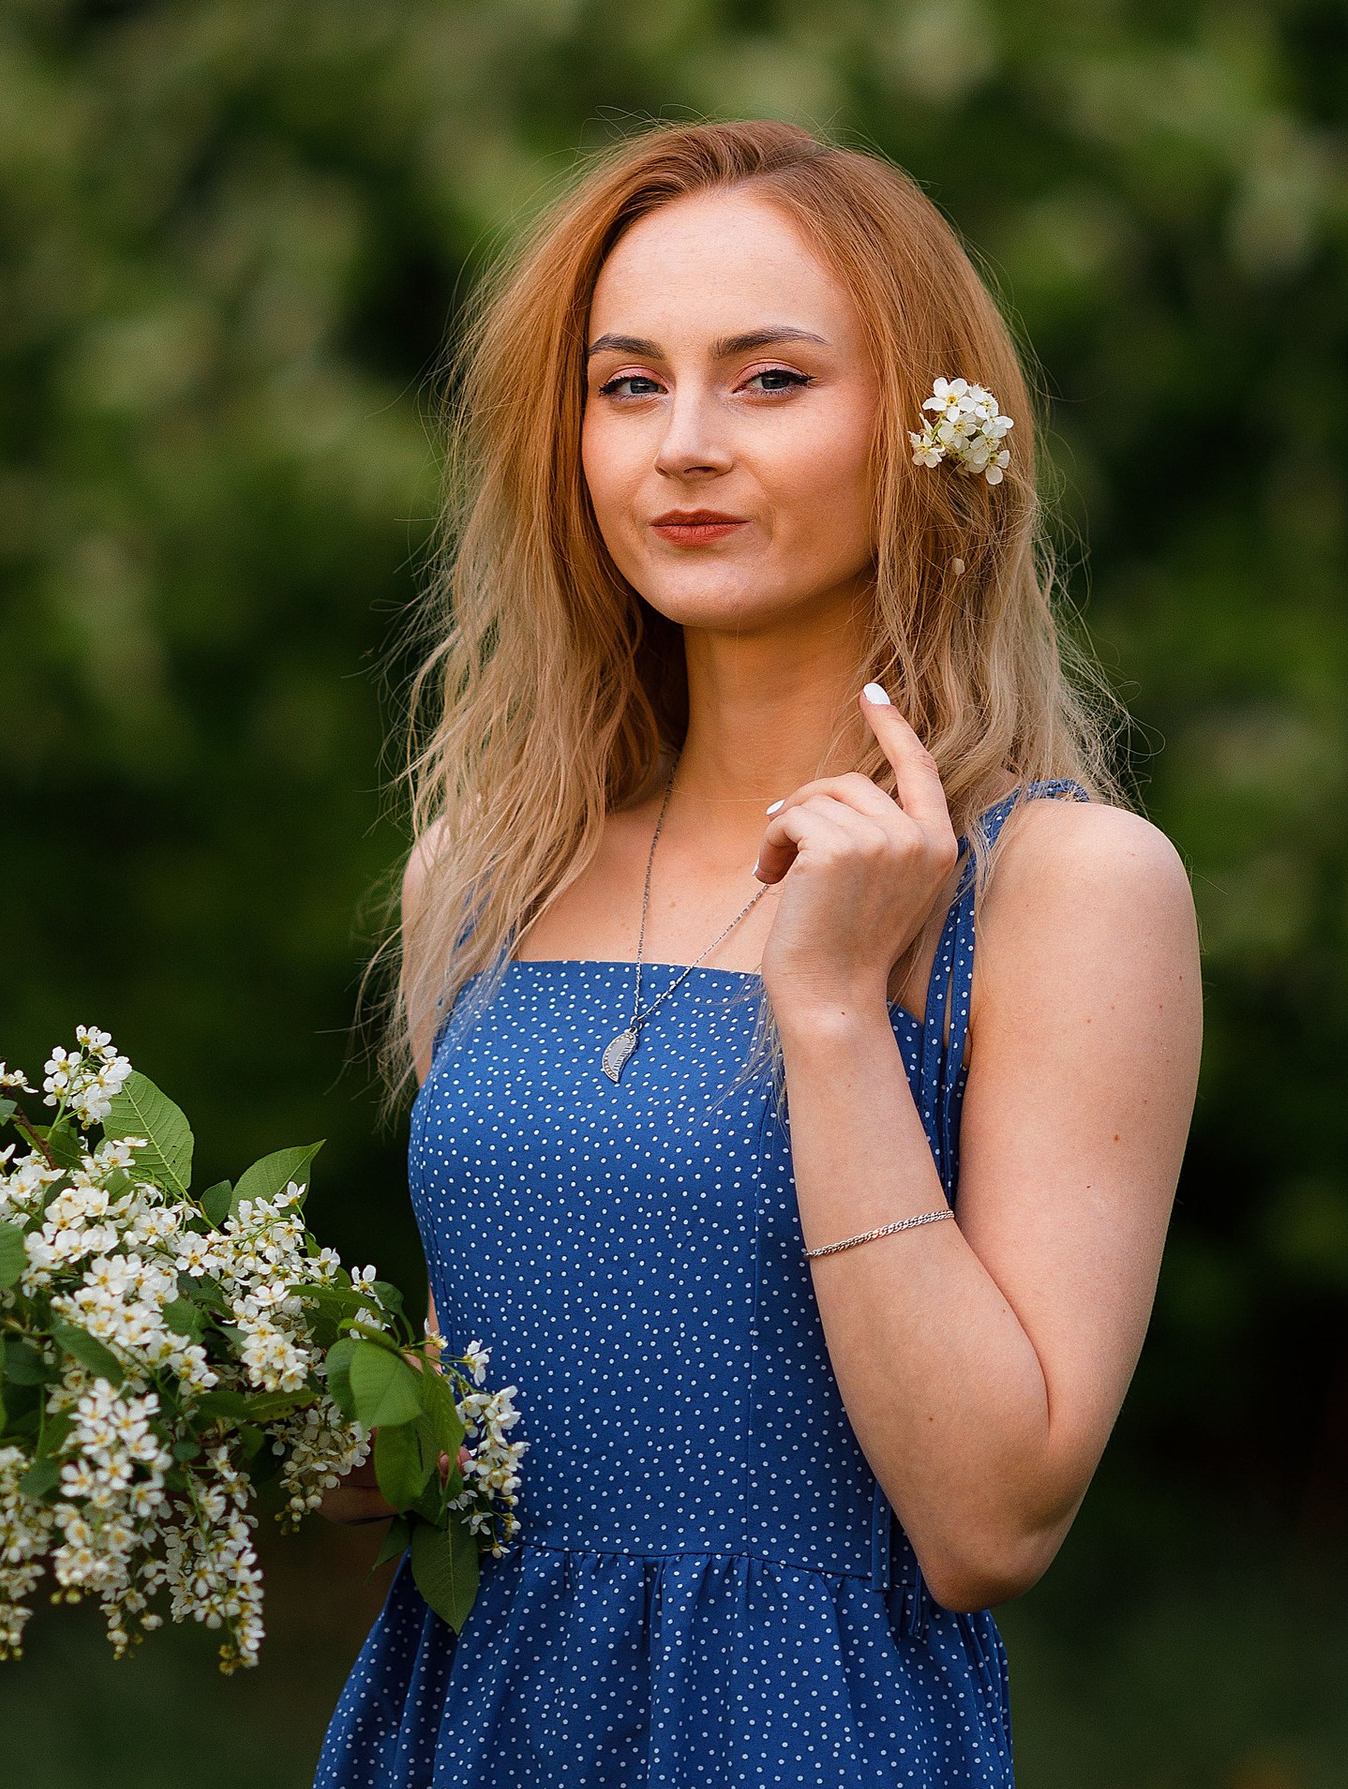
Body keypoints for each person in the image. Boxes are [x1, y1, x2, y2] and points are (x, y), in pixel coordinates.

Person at [314, 120, 1200, 1788]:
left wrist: (833, 1009)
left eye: (772, 380)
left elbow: (990, 1521)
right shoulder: (490, 868)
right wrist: (211, 1400)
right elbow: (475, 1421)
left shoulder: (1068, 887)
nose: (685, 447)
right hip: (477, 1720)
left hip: (797, 1735)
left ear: (928, 437)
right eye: (628, 385)